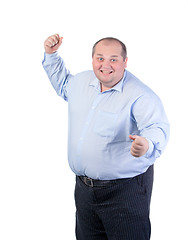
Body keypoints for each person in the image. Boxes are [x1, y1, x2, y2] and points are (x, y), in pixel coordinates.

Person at [42, 34, 170, 240]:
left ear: (125, 62)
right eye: (100, 58)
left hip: (125, 192)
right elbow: (64, 84)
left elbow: (156, 127)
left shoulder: (140, 95)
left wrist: (146, 144)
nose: (106, 65)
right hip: (84, 190)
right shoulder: (82, 81)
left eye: (113, 59)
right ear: (93, 60)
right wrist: (51, 54)